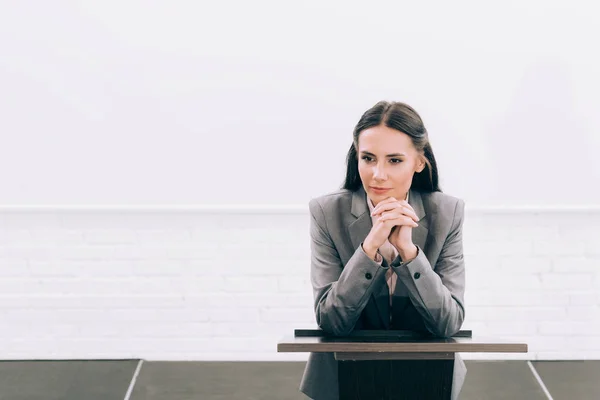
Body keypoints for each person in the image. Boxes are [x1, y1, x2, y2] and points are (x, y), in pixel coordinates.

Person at [299, 101, 467, 400]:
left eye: (394, 160)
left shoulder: (447, 212)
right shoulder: (327, 211)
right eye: (368, 158)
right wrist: (369, 248)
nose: (377, 174)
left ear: (419, 162)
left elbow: (448, 322)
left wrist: (409, 252)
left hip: (428, 379)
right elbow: (331, 320)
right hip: (344, 380)